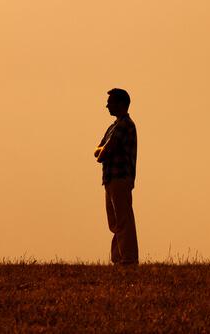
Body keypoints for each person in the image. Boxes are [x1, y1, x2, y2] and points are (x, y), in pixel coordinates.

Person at [94, 88, 139, 265]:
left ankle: (128, 258)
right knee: (115, 222)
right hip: (111, 178)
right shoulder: (113, 126)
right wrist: (102, 150)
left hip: (120, 177)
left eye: (111, 102)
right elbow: (99, 149)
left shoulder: (124, 125)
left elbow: (104, 151)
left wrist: (102, 150)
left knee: (123, 219)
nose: (107, 105)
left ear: (120, 103)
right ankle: (119, 258)